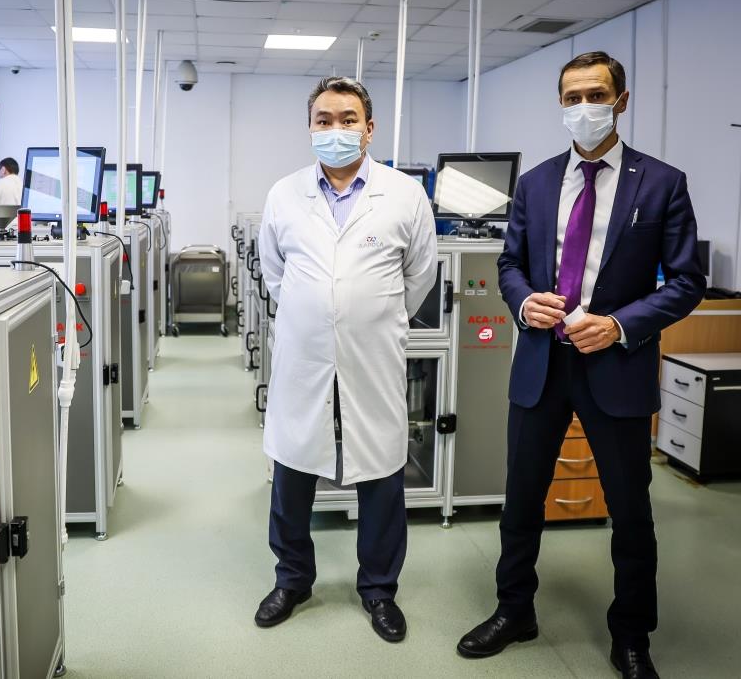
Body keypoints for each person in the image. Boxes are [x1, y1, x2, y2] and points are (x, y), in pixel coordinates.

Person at [456, 52, 705, 679]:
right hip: (542, 363)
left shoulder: (661, 183)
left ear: (621, 100)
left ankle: (632, 636)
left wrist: (619, 325)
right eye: (572, 97)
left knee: (631, 510)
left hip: (615, 366)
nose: (584, 107)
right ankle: (514, 610)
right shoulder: (537, 183)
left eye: (596, 94)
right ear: (561, 105)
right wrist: (523, 302)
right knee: (521, 500)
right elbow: (509, 265)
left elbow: (686, 282)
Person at [255, 77, 437, 643]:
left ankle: (379, 589)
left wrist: (362, 315)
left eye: (348, 119)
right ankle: (292, 579)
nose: (336, 129)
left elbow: (419, 278)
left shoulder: (405, 194)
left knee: (380, 472)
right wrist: (320, 313)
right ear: (310, 127)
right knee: (292, 470)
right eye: (325, 120)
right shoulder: (284, 194)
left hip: (372, 356)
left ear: (369, 128)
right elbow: (275, 274)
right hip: (303, 357)